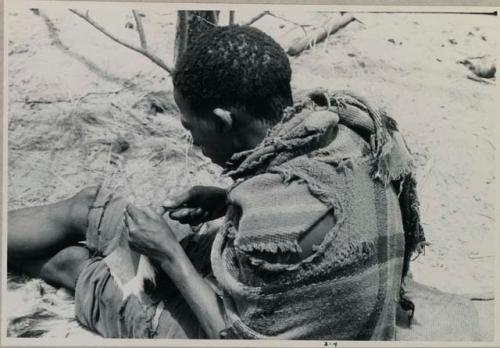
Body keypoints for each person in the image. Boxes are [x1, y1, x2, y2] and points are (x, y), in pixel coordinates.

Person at [7, 25, 426, 340]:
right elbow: (318, 215)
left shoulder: (274, 228)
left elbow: (233, 338)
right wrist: (228, 200)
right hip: (284, 283)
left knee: (82, 266)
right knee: (88, 207)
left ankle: (72, 274)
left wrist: (170, 255)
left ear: (225, 120)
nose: (193, 141)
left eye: (194, 129)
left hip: (242, 329)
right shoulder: (344, 132)